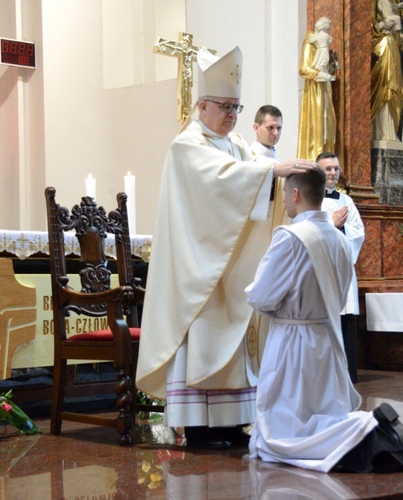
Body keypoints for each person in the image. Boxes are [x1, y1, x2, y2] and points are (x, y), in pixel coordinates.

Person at [136, 45, 317, 450]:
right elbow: (220, 183)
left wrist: (279, 176)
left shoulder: (235, 145)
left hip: (232, 266)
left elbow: (249, 176)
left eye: (237, 107)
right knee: (205, 334)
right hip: (200, 267)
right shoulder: (187, 146)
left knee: (237, 338)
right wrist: (272, 170)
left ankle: (234, 420)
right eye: (225, 106)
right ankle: (200, 425)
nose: (233, 115)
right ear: (202, 105)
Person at [245, 166, 403, 473]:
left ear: (296, 194)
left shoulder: (289, 237)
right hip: (327, 337)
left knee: (286, 425)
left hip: (292, 339)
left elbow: (262, 295)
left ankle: (365, 430)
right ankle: (362, 431)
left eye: (287, 193)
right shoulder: (339, 239)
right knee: (321, 411)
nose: (286, 199)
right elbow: (340, 294)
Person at [317, 151, 364, 383]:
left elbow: (359, 232)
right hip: (321, 268)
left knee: (344, 319)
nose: (333, 173)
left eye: (336, 168)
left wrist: (343, 229)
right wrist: (332, 224)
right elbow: (308, 228)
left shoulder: (346, 201)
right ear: (318, 171)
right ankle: (325, 375)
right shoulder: (310, 197)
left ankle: (347, 373)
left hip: (343, 268)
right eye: (328, 169)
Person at [371, 0, 403, 143]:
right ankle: (382, 132)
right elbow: (379, 29)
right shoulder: (381, 4)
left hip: (392, 47)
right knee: (387, 89)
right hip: (385, 49)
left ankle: (391, 132)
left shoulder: (390, 36)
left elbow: (393, 33)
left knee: (397, 90)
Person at [297, 17, 337, 160]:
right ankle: (315, 160)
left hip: (325, 87)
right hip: (315, 90)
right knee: (318, 126)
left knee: (328, 126)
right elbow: (303, 69)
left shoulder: (322, 44)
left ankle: (328, 163)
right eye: (326, 27)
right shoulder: (310, 44)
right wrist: (319, 74)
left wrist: (331, 68)